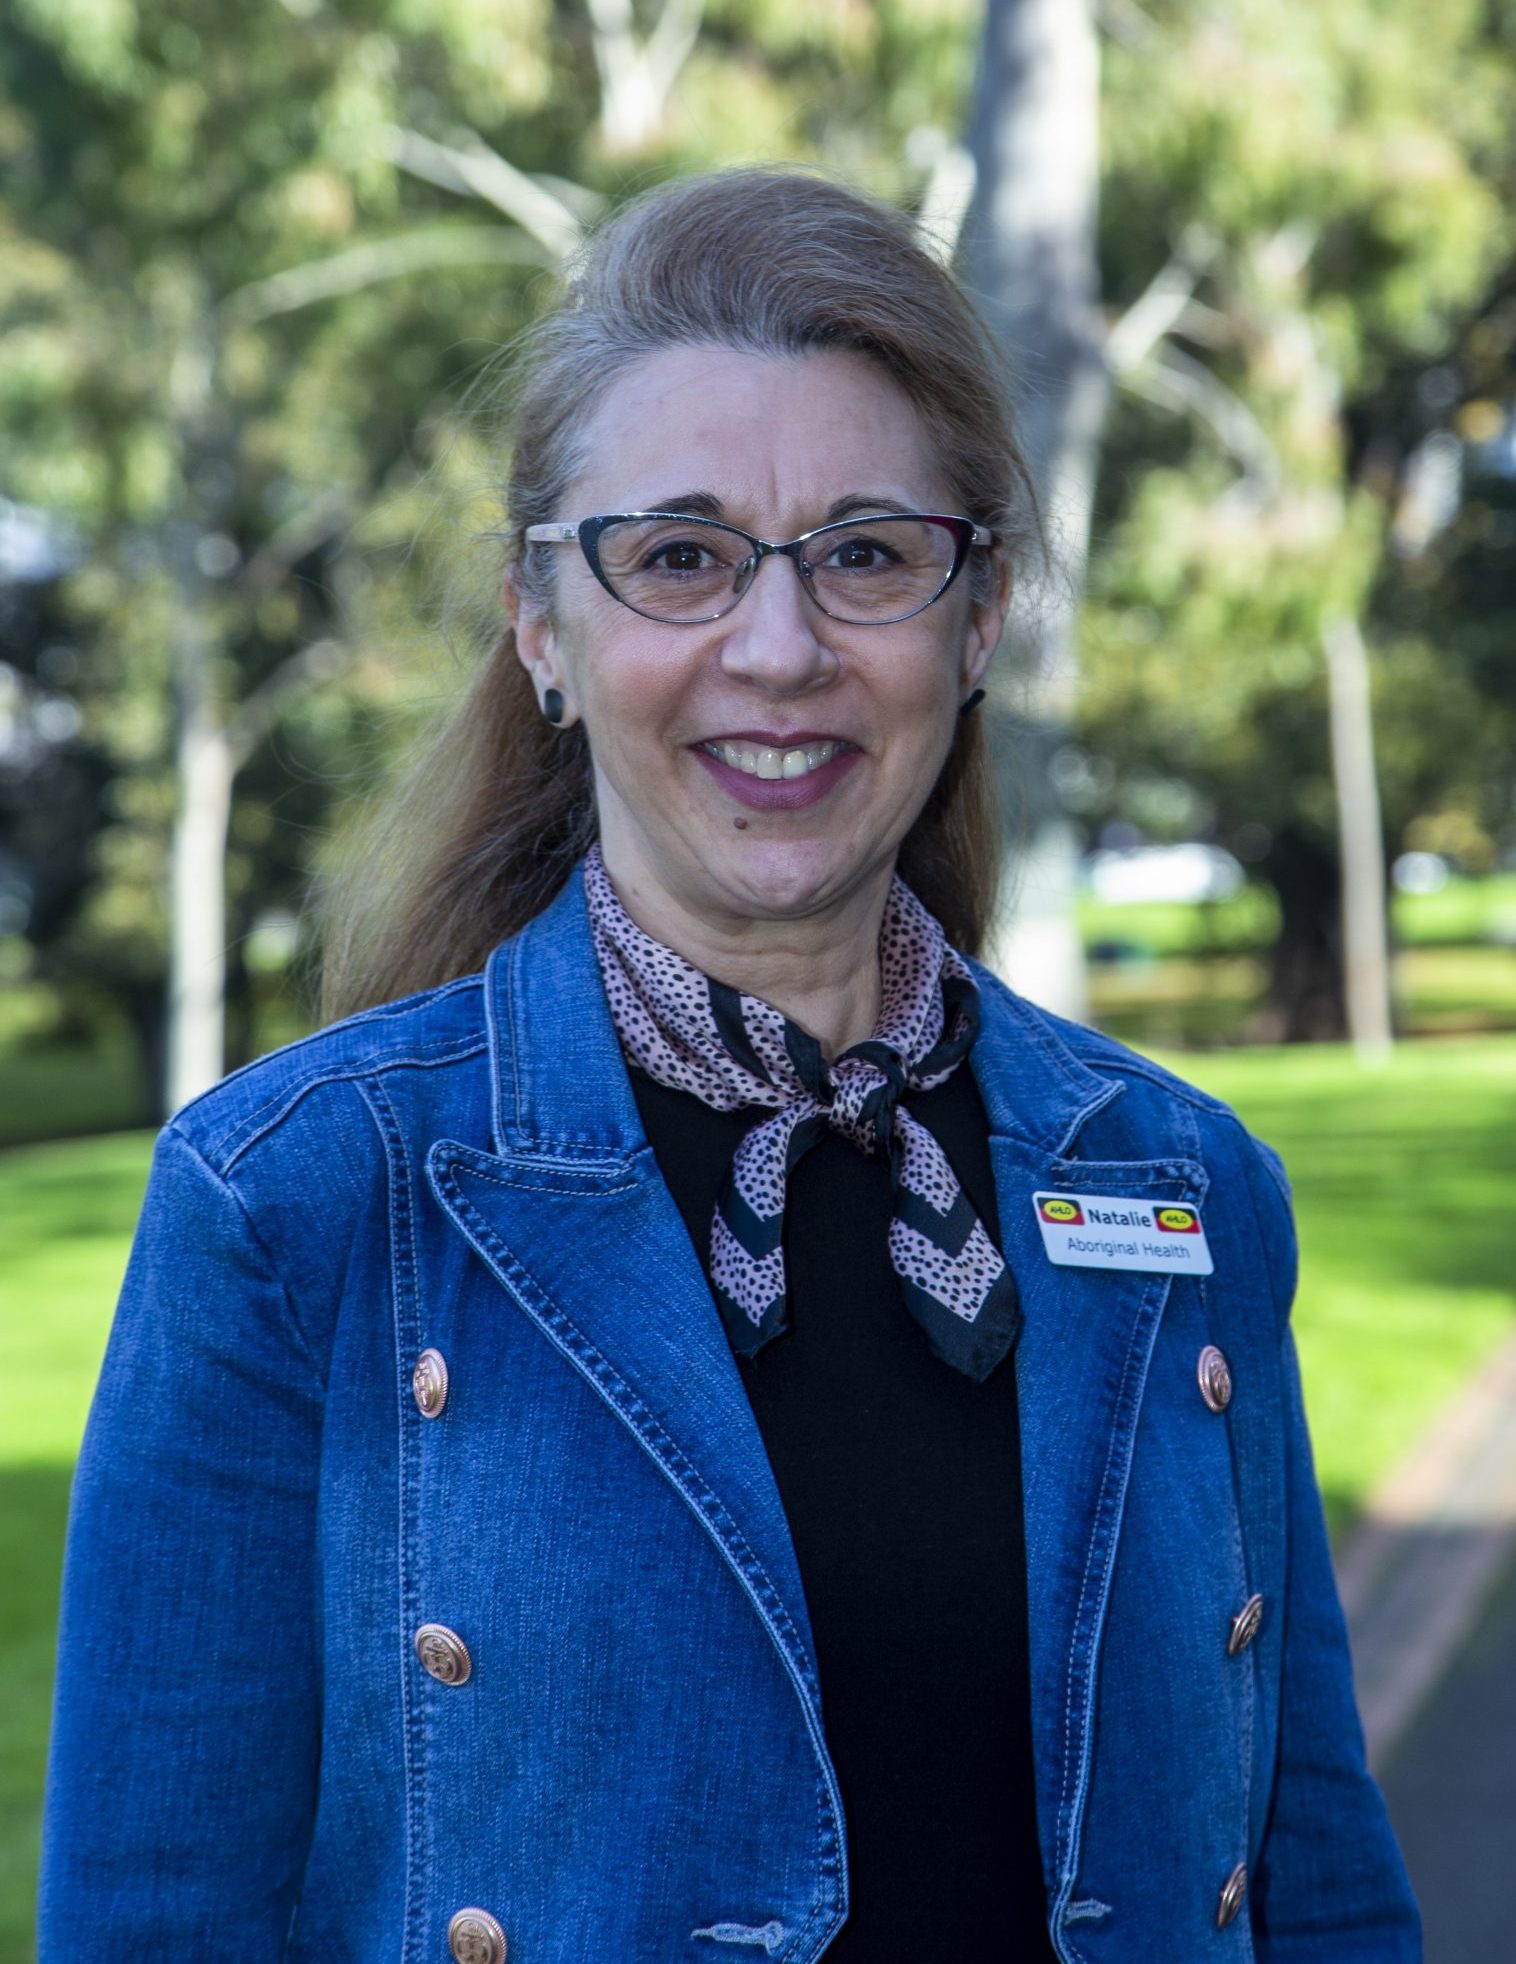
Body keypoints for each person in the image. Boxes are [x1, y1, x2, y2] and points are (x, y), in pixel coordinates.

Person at [40, 168, 1420, 1964]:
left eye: (866, 554)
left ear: (975, 615)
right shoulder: (299, 1203)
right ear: (547, 624)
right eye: (678, 557)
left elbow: (1307, 1867)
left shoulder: (1177, 1180)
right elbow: (154, 1919)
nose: (780, 651)